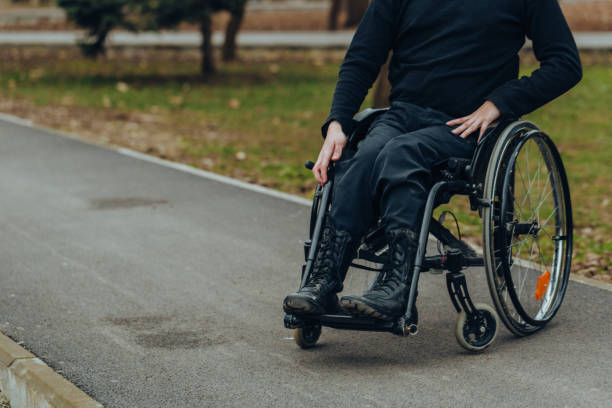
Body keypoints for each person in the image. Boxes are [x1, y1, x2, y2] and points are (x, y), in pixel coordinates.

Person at [283, 0, 582, 320]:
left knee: (401, 154)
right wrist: (338, 124)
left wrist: (499, 103)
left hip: (467, 127)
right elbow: (362, 58)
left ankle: (395, 285)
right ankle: (323, 281)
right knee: (363, 158)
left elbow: (565, 64)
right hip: (403, 116)